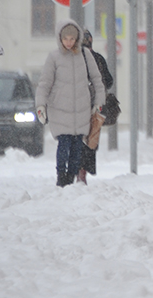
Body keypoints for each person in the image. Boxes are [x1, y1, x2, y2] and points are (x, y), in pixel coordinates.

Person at [36, 20, 106, 187]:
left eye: (72, 39)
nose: (69, 42)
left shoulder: (85, 55)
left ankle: (71, 176)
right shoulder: (54, 57)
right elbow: (44, 83)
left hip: (81, 109)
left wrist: (99, 102)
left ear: (77, 39)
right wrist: (40, 105)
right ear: (60, 38)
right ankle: (61, 176)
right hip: (60, 109)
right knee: (64, 143)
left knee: (77, 147)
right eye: (65, 38)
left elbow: (97, 80)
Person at [77, 29, 114, 184]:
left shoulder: (73, 59)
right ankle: (83, 172)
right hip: (95, 106)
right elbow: (109, 81)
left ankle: (77, 171)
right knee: (91, 140)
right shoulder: (98, 58)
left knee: (77, 137)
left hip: (77, 105)